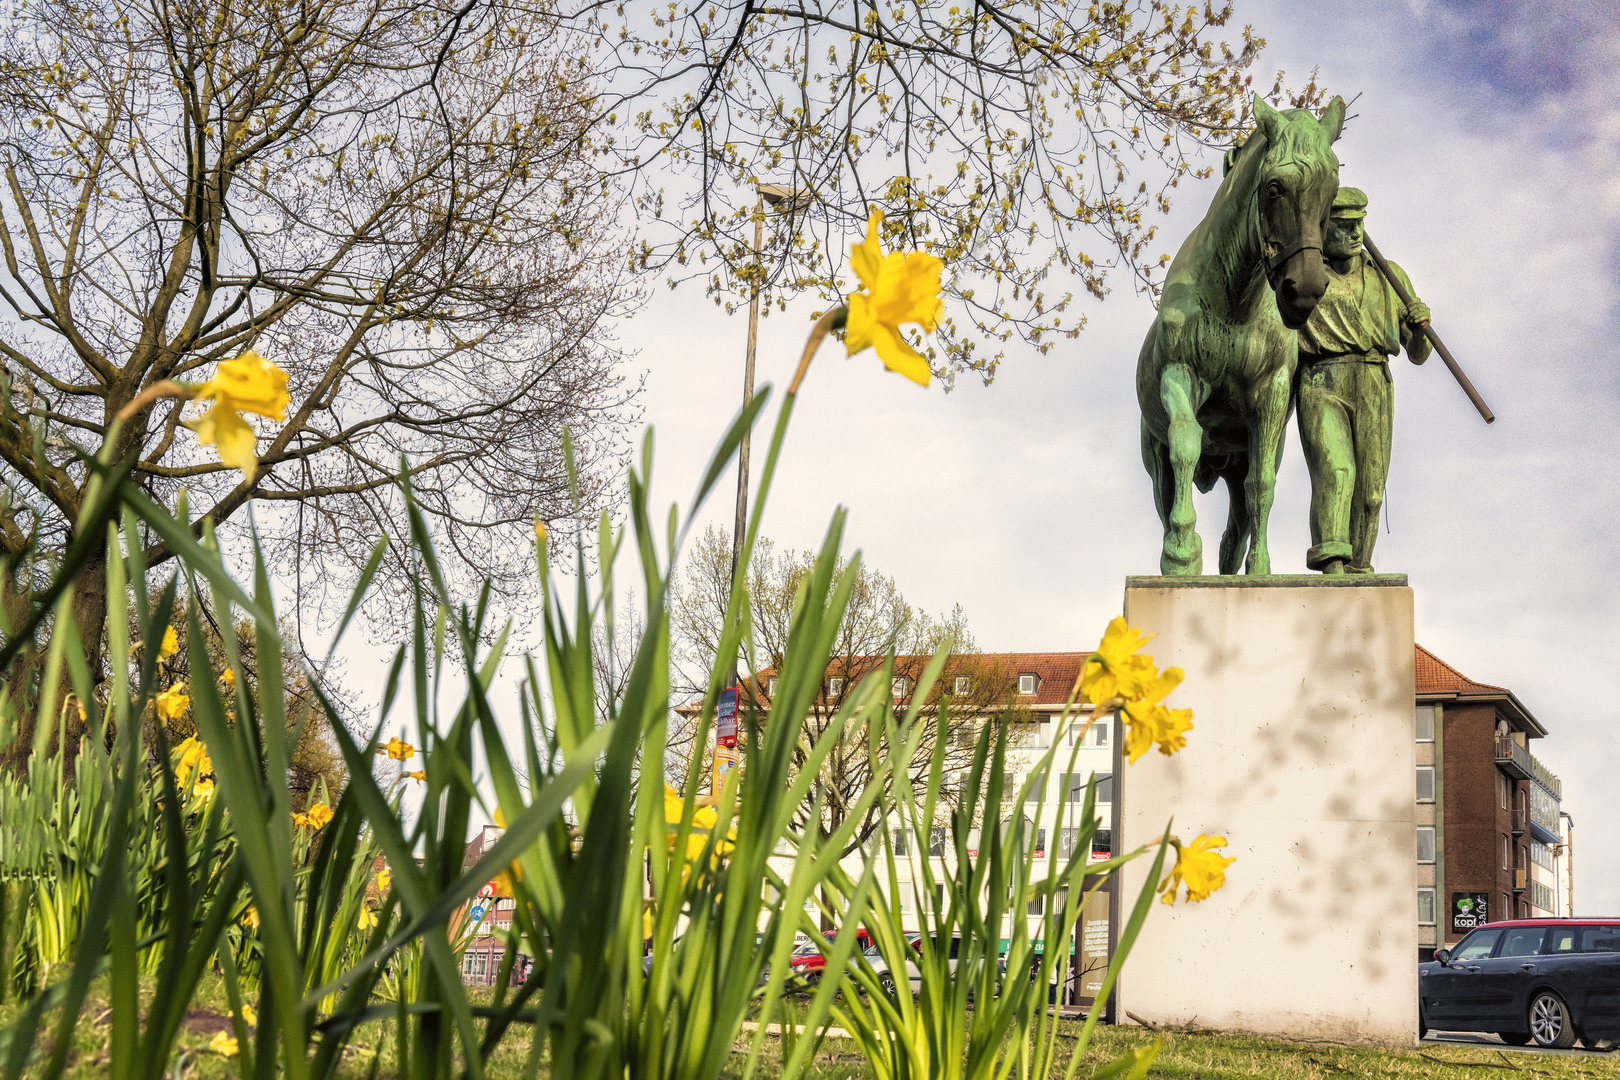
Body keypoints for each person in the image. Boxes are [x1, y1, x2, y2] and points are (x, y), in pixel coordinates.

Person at [1295, 186, 1432, 574]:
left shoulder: (1390, 276)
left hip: (1374, 380)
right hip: (1322, 377)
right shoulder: (1307, 273)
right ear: (1323, 229)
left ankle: (1358, 570)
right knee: (1337, 471)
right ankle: (1331, 565)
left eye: (1359, 225)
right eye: (1344, 226)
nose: (1355, 234)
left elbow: (1418, 354)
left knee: (1371, 493)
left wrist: (1420, 328)